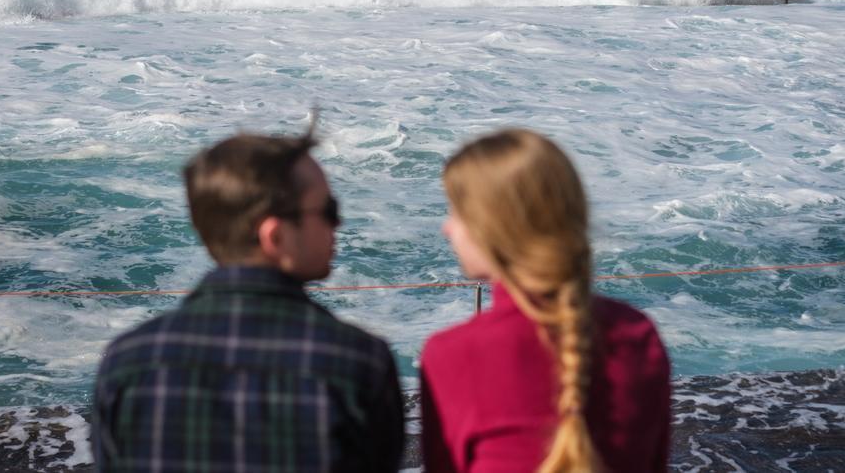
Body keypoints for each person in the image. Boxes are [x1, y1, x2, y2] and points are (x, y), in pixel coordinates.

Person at [92, 129, 405, 473]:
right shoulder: (356, 363)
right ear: (275, 236)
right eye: (329, 210)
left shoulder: (127, 364)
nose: (339, 223)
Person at [420, 129, 671, 473]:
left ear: (494, 227)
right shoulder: (638, 335)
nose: (447, 229)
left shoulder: (453, 354)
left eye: (456, 212)